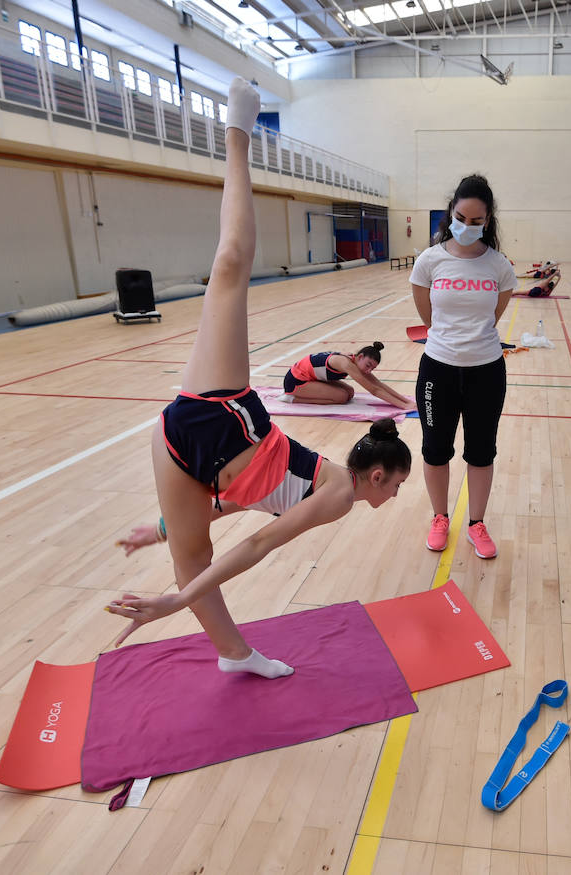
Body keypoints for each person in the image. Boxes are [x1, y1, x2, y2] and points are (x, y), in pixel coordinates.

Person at [104, 80, 412, 676]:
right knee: (230, 267)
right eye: (395, 488)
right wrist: (173, 603)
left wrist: (165, 529)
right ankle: (238, 134)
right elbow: (260, 544)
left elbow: (249, 501)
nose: (392, 497)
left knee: (191, 558)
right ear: (377, 476)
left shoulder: (329, 489)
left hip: (181, 448)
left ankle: (234, 656)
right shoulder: (339, 495)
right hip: (221, 414)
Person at [410, 174, 517, 560]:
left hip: (486, 370)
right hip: (438, 369)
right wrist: (447, 337)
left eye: (476, 221)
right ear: (450, 212)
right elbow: (426, 312)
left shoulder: (499, 266)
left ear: (487, 221)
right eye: (461, 217)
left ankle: (476, 523)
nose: (468, 226)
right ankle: (440, 517)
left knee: (481, 451)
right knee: (435, 450)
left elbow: (495, 313)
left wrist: (472, 339)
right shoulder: (430, 260)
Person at [282, 342, 414, 409]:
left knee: (350, 392)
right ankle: (294, 399)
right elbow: (373, 390)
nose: (368, 371)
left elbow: (378, 384)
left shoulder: (354, 360)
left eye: (372, 368)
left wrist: (407, 401)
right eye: (368, 365)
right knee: (342, 397)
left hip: (312, 377)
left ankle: (300, 395)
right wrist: (402, 406)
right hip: (295, 381)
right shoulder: (345, 363)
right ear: (360, 357)